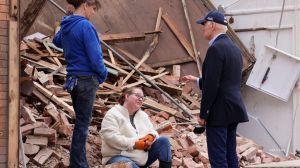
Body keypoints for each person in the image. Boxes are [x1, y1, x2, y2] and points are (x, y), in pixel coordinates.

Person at [182, 10, 249, 168]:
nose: (202, 27)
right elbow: (225, 80)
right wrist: (197, 81)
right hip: (233, 108)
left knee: (218, 158)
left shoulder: (215, 49)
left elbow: (213, 85)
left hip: (219, 112)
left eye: (204, 24)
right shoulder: (234, 49)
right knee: (230, 154)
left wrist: (204, 113)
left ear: (212, 25)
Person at [53, 0, 108, 167]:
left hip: (73, 80)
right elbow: (95, 57)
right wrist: (103, 75)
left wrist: (66, 19)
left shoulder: (67, 24)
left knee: (80, 124)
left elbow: (56, 41)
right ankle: (78, 164)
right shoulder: (86, 26)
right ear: (85, 5)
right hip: (86, 79)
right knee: (82, 125)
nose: (92, 13)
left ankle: (78, 162)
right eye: (92, 8)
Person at [100, 87, 172, 168]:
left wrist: (151, 136)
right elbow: (111, 138)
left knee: (164, 141)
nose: (141, 99)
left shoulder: (143, 115)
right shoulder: (113, 114)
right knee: (128, 164)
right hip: (118, 157)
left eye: (142, 98)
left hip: (141, 160)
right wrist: (135, 144)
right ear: (127, 96)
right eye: (138, 96)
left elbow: (152, 131)